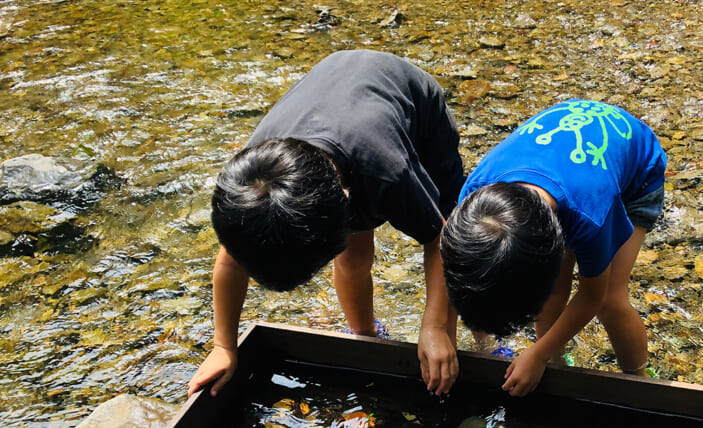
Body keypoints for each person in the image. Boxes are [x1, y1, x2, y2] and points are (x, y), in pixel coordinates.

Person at [187, 50, 464, 398]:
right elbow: (231, 260)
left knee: (455, 231)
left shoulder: (389, 172)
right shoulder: (255, 183)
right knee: (354, 258)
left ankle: (451, 350)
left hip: (415, 109)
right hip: (332, 105)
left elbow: (440, 238)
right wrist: (224, 346)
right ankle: (364, 335)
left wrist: (434, 325)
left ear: (346, 201)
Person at [441, 99, 667, 397]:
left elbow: (591, 297)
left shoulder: (591, 217)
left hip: (636, 172)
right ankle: (557, 361)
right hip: (565, 160)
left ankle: (639, 378)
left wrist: (537, 354)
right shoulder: (473, 206)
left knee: (612, 299)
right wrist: (474, 341)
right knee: (552, 290)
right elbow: (466, 280)